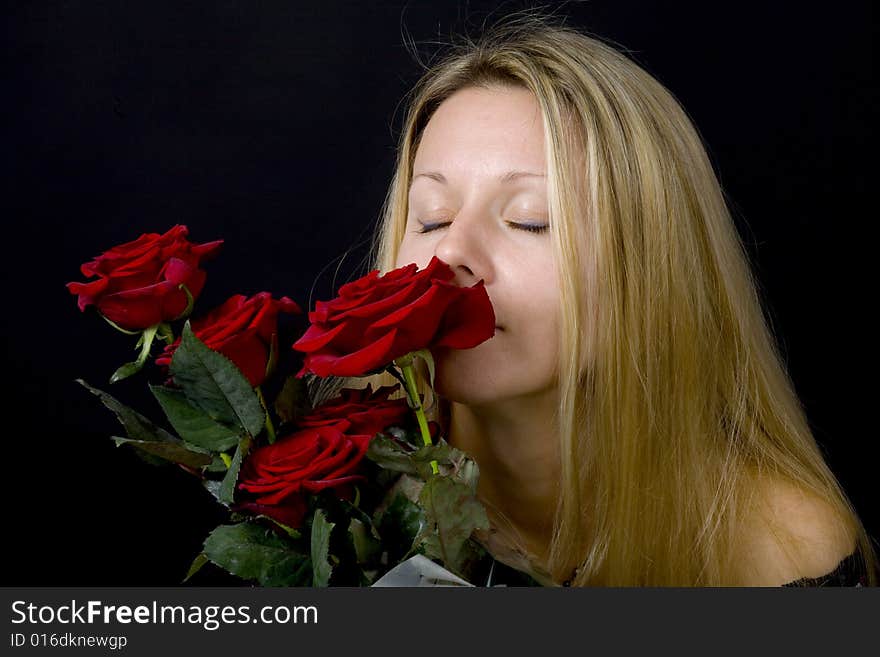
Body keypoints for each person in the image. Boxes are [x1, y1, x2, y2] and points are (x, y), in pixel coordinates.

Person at [321, 9, 878, 586]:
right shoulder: (339, 510)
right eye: (431, 218)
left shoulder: (780, 548)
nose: (449, 254)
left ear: (650, 265)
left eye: (530, 220)